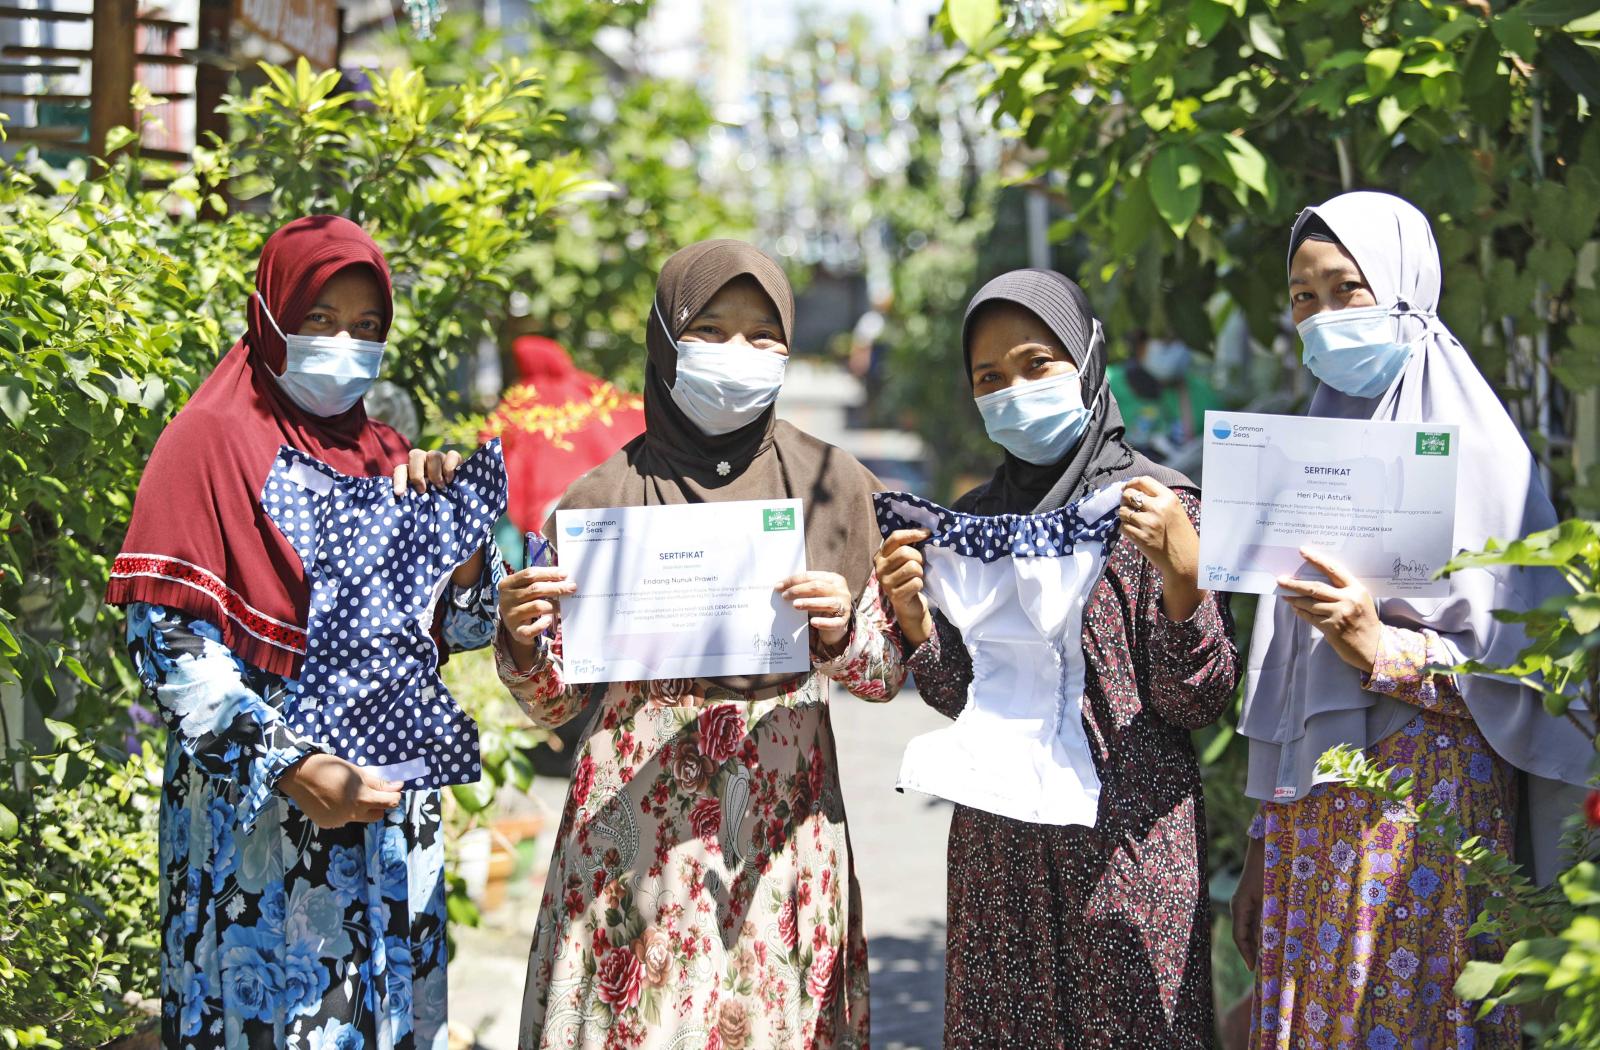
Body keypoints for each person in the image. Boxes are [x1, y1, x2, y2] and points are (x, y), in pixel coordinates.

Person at [494, 239, 906, 1048]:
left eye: (763, 336)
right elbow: (555, 703)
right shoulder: (603, 498)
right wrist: (522, 639)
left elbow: (886, 674)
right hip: (630, 848)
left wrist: (840, 631)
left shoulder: (834, 487)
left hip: (775, 852)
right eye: (710, 331)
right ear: (665, 340)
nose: (737, 354)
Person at [107, 216, 501, 1048]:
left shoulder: (387, 455)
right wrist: (290, 766)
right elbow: (168, 641)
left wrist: (465, 547)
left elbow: (460, 630)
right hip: (260, 831)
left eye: (366, 326)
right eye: (320, 319)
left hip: (387, 832)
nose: (344, 345)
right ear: (271, 314)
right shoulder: (209, 442)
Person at [1230, 191, 1594, 1048]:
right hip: (1310, 823)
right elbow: (1286, 687)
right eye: (1303, 298)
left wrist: (1381, 647)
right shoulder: (1311, 449)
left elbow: (1530, 678)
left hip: (1426, 824)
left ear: (1405, 286)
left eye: (1346, 289)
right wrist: (1257, 846)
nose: (1323, 318)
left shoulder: (1484, 457)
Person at [874, 269, 1241, 1047]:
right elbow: (963, 696)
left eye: (1037, 363)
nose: (1014, 391)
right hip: (1000, 861)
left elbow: (1196, 701)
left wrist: (1185, 576)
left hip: (1128, 856)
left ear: (1087, 358)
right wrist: (916, 621)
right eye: (989, 377)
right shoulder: (976, 525)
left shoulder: (1157, 509)